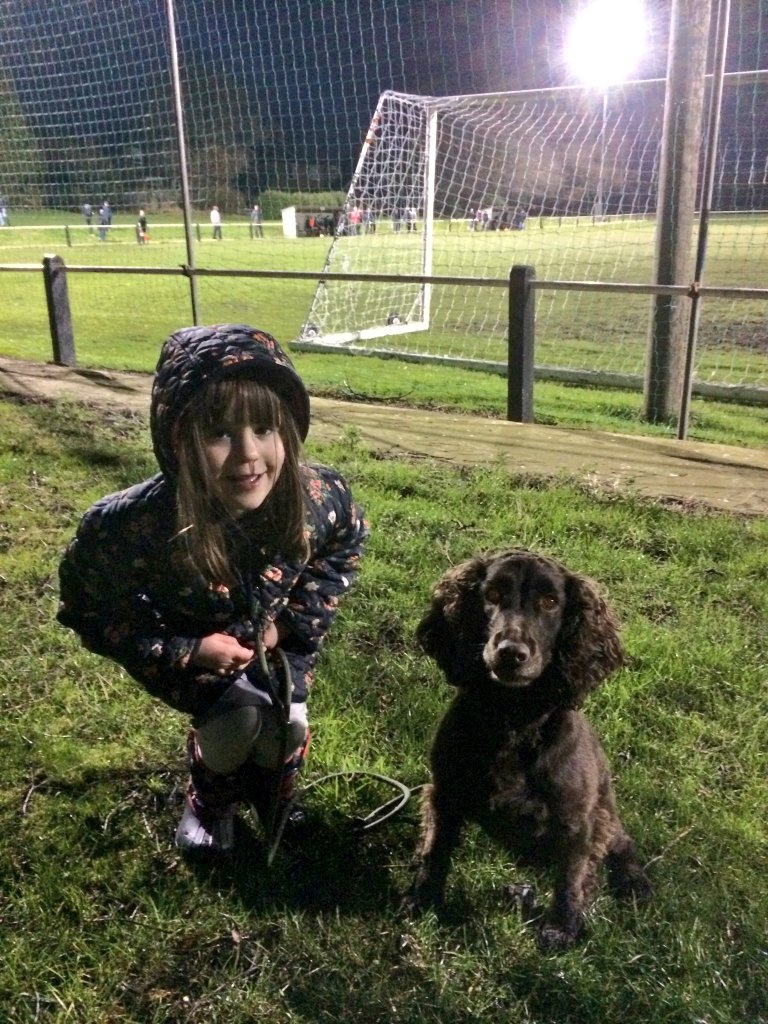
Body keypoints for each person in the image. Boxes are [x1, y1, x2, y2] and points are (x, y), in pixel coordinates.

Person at [57, 324, 368, 854]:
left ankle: (272, 788)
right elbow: (86, 607)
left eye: (265, 430)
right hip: (193, 656)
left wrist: (291, 622)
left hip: (279, 650)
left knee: (286, 727)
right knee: (236, 722)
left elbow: (345, 543)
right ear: (179, 441)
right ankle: (210, 796)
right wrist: (187, 650)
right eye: (220, 434)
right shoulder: (132, 524)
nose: (249, 455)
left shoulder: (317, 495)